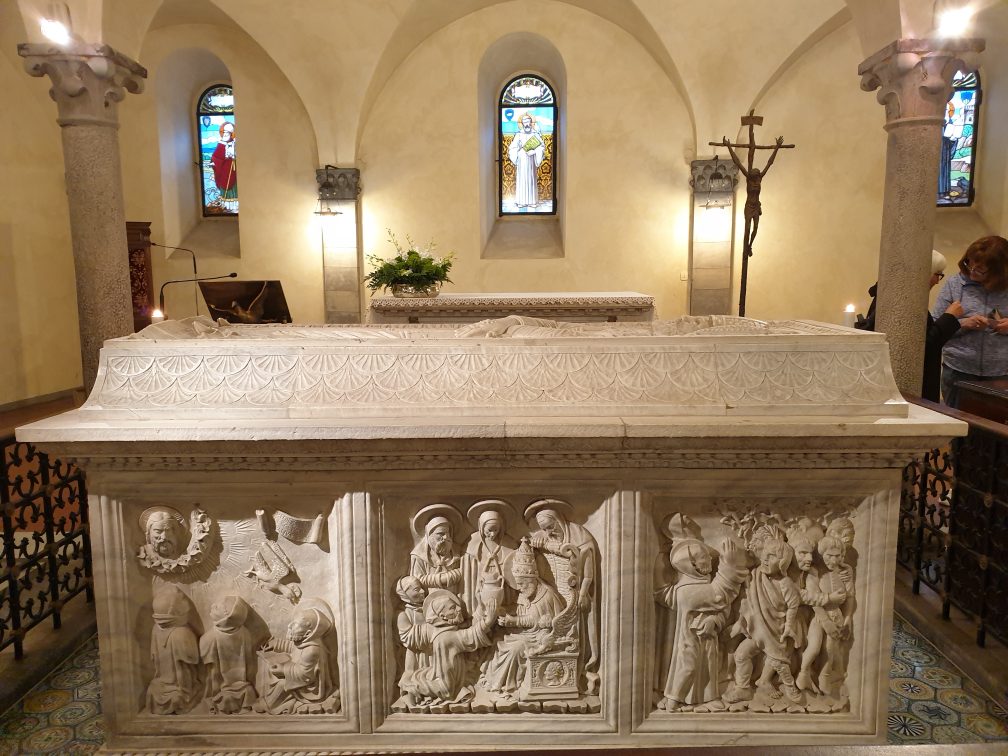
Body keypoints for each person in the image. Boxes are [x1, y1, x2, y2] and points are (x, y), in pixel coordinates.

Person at [856, 250, 964, 402]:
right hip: (907, 384)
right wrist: (949, 317)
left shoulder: (891, 291)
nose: (938, 281)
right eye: (937, 274)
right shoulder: (906, 300)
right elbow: (920, 347)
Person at [655, 536, 747, 712]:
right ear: (692, 564)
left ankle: (705, 699)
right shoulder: (687, 590)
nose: (710, 558)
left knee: (707, 668)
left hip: (707, 638)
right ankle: (673, 700)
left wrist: (714, 620)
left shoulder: (696, 586)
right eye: (704, 556)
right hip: (690, 640)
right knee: (687, 667)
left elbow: (722, 608)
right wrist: (729, 563)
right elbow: (719, 594)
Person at [481, 538, 564, 700]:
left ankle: (506, 686)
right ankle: (492, 681)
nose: (519, 587)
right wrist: (505, 612)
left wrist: (514, 621)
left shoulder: (546, 595)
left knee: (515, 649)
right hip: (527, 634)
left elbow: (540, 620)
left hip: (542, 636)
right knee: (498, 640)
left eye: (522, 583)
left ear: (531, 579)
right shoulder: (527, 592)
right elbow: (520, 609)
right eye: (517, 583)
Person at [932, 235, 1008, 407]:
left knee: (993, 430)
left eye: (980, 270)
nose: (972, 271)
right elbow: (935, 325)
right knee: (958, 426)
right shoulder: (954, 284)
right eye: (969, 263)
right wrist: (962, 323)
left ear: (998, 271)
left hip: (1000, 373)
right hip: (959, 370)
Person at [507, 113, 545, 210]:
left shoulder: (535, 134)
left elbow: (541, 147)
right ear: (522, 124)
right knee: (522, 180)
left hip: (532, 160)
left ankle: (532, 201)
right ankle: (521, 202)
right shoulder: (519, 134)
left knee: (531, 179)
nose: (526, 124)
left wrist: (535, 151)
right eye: (524, 122)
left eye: (528, 122)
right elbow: (513, 147)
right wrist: (518, 153)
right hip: (522, 160)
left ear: (531, 123)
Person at [210, 121, 237, 205]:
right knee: (227, 183)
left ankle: (236, 204)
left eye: (228, 132)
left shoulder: (237, 142)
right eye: (224, 132)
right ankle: (227, 205)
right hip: (226, 169)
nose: (226, 134)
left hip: (237, 169)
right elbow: (216, 157)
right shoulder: (222, 144)